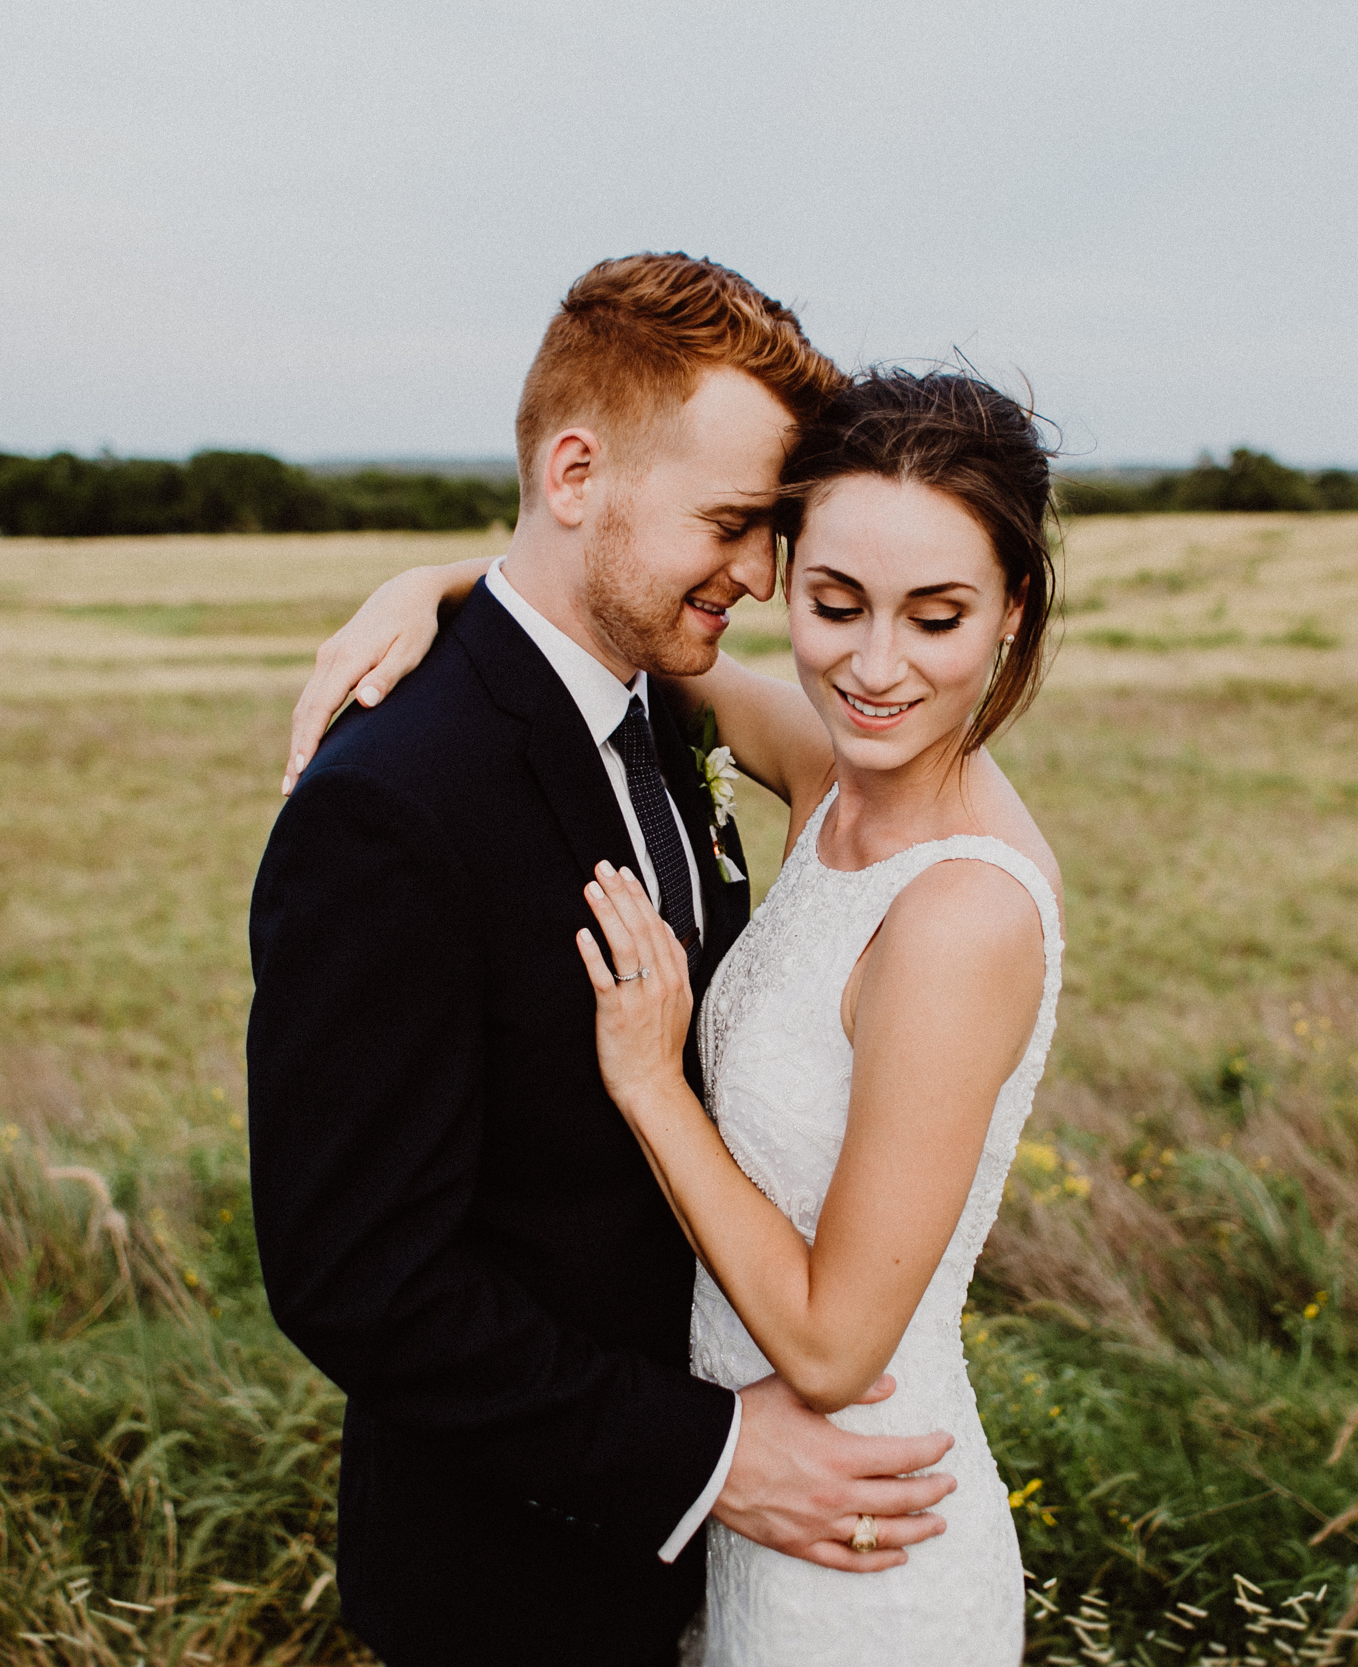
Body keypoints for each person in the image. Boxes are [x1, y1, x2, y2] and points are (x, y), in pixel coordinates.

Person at [248, 255, 965, 1667]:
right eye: (732, 523)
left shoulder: (658, 703)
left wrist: (449, 576)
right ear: (575, 471)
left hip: (718, 1576)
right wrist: (705, 1456)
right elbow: (354, 1276)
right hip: (515, 1590)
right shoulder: (389, 806)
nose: (760, 577)